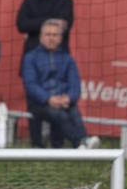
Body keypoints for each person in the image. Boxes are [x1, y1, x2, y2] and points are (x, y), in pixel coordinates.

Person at [22, 19, 99, 149]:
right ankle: (82, 141)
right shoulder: (31, 58)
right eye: (48, 34)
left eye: (55, 35)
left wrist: (68, 98)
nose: (51, 38)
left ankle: (81, 146)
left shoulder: (67, 59)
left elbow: (75, 85)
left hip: (63, 101)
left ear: (60, 38)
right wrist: (48, 98)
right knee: (59, 114)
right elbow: (31, 85)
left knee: (73, 111)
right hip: (39, 104)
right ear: (41, 37)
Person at [16, 0, 73, 71]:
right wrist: (50, 20)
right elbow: (21, 25)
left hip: (57, 57)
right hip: (33, 56)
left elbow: (64, 25)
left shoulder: (65, 1)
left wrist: (34, 23)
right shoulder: (30, 0)